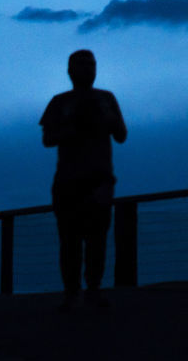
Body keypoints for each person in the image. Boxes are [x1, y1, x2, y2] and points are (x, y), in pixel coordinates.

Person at [39, 49, 127, 310]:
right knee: (70, 241)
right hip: (69, 182)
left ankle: (91, 290)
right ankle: (73, 292)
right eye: (82, 66)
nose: (88, 70)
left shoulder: (107, 99)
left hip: (98, 181)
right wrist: (76, 126)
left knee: (96, 240)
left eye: (91, 65)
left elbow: (121, 134)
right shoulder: (59, 102)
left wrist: (105, 118)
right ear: (70, 71)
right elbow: (47, 139)